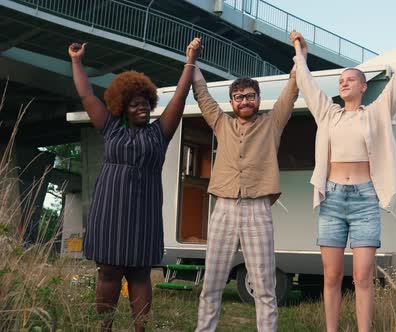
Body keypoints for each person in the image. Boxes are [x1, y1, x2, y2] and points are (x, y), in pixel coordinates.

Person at [290, 28, 396, 332]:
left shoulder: (377, 113)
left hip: (365, 200)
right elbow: (308, 84)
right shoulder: (327, 113)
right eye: (341, 81)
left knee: (364, 277)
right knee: (331, 276)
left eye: (350, 79)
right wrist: (300, 54)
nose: (343, 83)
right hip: (333, 199)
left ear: (364, 87)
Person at [68, 37, 200, 331]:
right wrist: (77, 61)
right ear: (121, 107)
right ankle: (105, 327)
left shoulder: (160, 133)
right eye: (135, 104)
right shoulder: (110, 127)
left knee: (140, 273)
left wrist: (190, 61)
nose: (143, 107)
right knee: (109, 272)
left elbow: (179, 98)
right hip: (110, 209)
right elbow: (88, 95)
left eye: (146, 103)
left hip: (145, 210)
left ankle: (140, 328)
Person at [190, 38, 299, 332]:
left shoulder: (272, 123)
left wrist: (299, 54)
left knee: (264, 287)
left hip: (258, 209)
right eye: (238, 97)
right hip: (223, 208)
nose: (244, 101)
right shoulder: (221, 123)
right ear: (232, 102)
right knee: (211, 284)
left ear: (259, 98)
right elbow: (201, 94)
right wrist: (192, 59)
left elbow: (292, 90)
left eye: (250, 96)